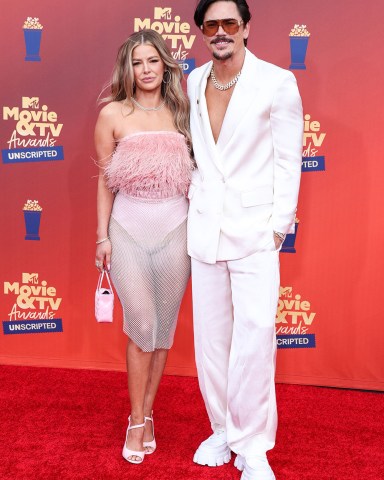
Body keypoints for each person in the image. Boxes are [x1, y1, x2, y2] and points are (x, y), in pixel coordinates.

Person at [187, 1, 303, 479]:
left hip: (256, 231)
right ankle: (221, 428)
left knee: (254, 338)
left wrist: (279, 226)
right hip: (204, 230)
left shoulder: (277, 82)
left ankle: (253, 445)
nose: (220, 32)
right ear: (202, 32)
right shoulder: (193, 81)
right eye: (210, 24)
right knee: (212, 342)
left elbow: (288, 159)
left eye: (228, 23)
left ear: (246, 28)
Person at [94, 29, 193, 465]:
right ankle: (137, 420)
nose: (146, 69)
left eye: (153, 60)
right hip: (127, 229)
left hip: (177, 229)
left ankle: (148, 412)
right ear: (127, 69)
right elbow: (103, 180)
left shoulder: (183, 112)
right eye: (137, 62)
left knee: (163, 330)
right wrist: (102, 237)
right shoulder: (113, 113)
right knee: (141, 325)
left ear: (165, 64)